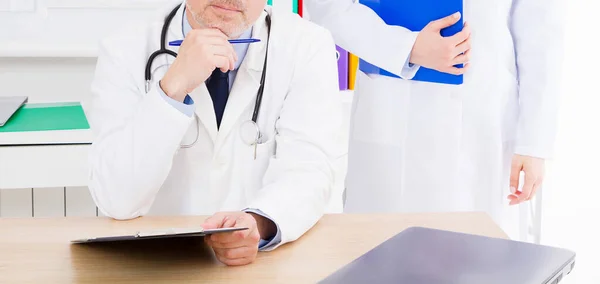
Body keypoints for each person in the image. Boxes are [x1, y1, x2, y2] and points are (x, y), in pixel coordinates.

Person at [87, 0, 346, 266]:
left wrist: (258, 222)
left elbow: (309, 170)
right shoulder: (125, 48)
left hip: (269, 266)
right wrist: (172, 88)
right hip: (162, 266)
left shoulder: (307, 45)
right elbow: (117, 199)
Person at [305, 0, 564, 240]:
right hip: (394, 118)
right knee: (386, 259)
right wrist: (408, 47)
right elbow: (328, 6)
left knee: (484, 261)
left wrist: (534, 143)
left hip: (486, 127)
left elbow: (540, 32)